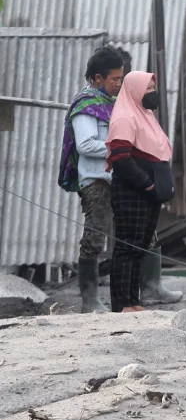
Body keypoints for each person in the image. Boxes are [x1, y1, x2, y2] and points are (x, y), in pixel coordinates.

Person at [59, 46, 124, 313]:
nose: (118, 85)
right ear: (98, 78)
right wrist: (117, 147)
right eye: (114, 80)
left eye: (121, 79)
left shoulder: (114, 104)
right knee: (95, 237)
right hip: (96, 181)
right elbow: (86, 144)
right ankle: (90, 301)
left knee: (140, 231)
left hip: (118, 177)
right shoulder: (86, 105)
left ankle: (148, 288)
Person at [105, 72, 174, 313]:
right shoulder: (124, 117)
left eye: (154, 87)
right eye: (148, 88)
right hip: (131, 193)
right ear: (134, 90)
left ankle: (134, 301)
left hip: (148, 195)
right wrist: (147, 184)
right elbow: (122, 159)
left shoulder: (147, 116)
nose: (152, 92)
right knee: (127, 247)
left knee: (140, 247)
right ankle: (122, 303)